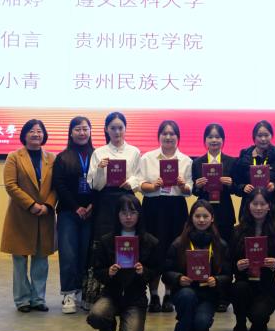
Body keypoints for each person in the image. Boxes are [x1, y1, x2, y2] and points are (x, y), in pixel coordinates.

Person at [132, 120, 193, 313]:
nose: (168, 137)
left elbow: (189, 190)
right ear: (159, 136)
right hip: (153, 207)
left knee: (172, 250)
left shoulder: (186, 160)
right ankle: (154, 295)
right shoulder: (147, 158)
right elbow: (140, 184)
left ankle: (168, 294)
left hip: (176, 208)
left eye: (172, 133)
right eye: (164, 133)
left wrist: (183, 185)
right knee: (153, 250)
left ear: (178, 137)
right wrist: (153, 186)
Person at [86, 195, 161, 331]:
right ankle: (109, 327)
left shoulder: (150, 241)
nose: (128, 217)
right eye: (123, 213)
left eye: (132, 212)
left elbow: (156, 270)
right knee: (95, 316)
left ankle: (126, 328)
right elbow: (97, 271)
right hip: (111, 295)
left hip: (135, 299)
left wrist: (143, 271)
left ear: (139, 214)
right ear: (117, 215)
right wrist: (109, 272)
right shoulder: (106, 240)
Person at [84, 112, 142, 309]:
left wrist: (130, 182)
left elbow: (139, 176)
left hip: (127, 201)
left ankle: (129, 293)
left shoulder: (134, 151)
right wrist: (100, 169)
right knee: (103, 243)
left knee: (128, 241)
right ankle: (98, 295)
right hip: (105, 202)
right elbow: (94, 184)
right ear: (106, 130)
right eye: (113, 128)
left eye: (120, 128)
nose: (117, 132)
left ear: (125, 129)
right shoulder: (99, 153)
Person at [0, 119, 56, 312]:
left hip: (44, 216)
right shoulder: (14, 157)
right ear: (24, 135)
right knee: (20, 260)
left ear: (44, 135)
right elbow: (10, 185)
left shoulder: (52, 158)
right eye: (31, 131)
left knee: (41, 259)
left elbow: (56, 186)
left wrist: (47, 205)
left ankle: (38, 298)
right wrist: (31, 205)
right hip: (21, 216)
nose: (36, 134)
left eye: (39, 131)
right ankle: (22, 300)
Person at [162, 200, 232, 331]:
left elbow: (228, 275)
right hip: (184, 292)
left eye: (205, 216)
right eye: (197, 216)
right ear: (191, 218)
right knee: (188, 295)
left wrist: (217, 280)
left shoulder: (221, 245)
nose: (201, 220)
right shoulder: (178, 243)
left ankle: (193, 322)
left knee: (200, 327)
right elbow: (166, 273)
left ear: (212, 218)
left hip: (208, 296)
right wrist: (178, 278)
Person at [52, 116, 97, 314]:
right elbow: (59, 185)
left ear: (90, 131)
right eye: (77, 129)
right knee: (69, 253)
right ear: (71, 133)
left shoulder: (97, 155)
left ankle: (84, 292)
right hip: (68, 213)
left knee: (87, 253)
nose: (82, 132)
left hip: (92, 212)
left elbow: (102, 183)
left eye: (85, 129)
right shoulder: (62, 157)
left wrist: (92, 205)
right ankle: (68, 294)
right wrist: (76, 207)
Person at [229, 188, 275, 331]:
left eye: (262, 204)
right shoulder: (237, 231)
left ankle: (260, 321)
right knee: (239, 288)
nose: (259, 208)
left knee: (258, 318)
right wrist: (237, 265)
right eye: (255, 204)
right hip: (244, 283)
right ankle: (240, 324)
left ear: (269, 206)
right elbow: (230, 262)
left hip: (266, 286)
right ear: (248, 206)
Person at [191, 124, 237, 262]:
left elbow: (236, 190)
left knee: (225, 248)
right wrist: (197, 186)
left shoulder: (231, 161)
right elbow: (194, 191)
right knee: (203, 247)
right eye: (210, 137)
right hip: (203, 212)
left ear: (223, 140)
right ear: (205, 140)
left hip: (224, 210)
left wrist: (231, 184)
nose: (214, 140)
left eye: (218, 137)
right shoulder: (197, 162)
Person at [232, 120, 275, 225]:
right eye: (259, 135)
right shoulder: (244, 157)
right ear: (254, 137)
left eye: (266, 135)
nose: (263, 139)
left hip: (273, 211)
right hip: (248, 211)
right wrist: (243, 187)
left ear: (271, 136)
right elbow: (235, 184)